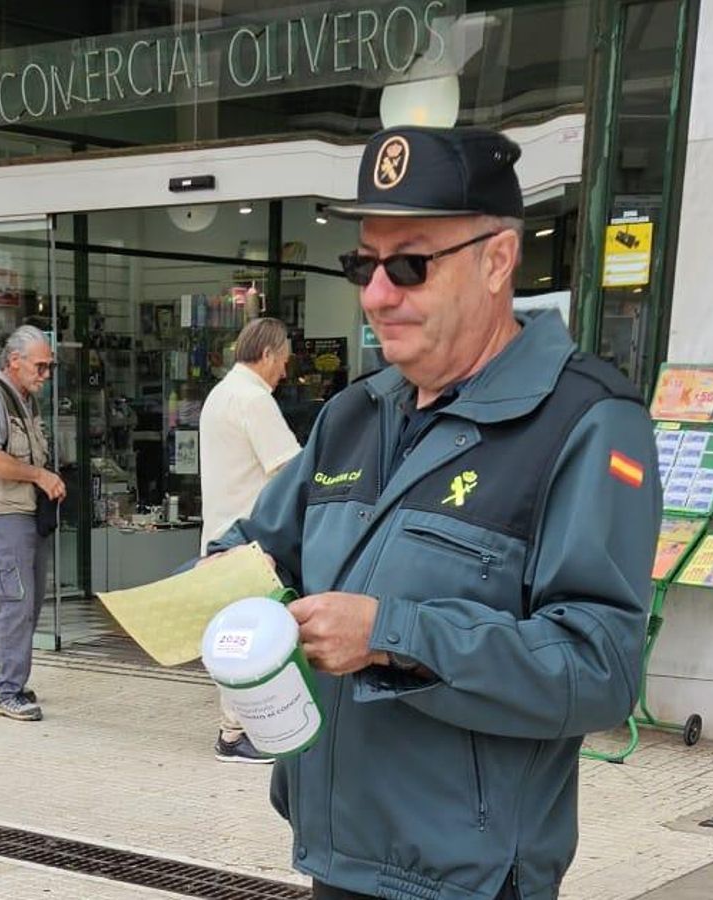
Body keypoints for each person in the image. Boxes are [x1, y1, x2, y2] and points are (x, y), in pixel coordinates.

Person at [204, 126, 660, 900]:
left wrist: (390, 635)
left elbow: (601, 669)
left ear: (496, 261)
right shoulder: (353, 413)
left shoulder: (585, 422)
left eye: (410, 265)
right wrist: (217, 581)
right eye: (363, 264)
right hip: (334, 852)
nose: (378, 294)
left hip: (464, 880)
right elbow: (261, 549)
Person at [199, 316, 300, 763]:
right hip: (251, 542)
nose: (285, 372)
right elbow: (290, 471)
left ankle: (235, 730)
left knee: (234, 637)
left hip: (222, 535)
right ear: (266, 354)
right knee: (254, 639)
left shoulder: (221, 394)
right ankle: (236, 733)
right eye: (283, 361)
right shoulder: (254, 399)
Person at [0, 324, 66, 722]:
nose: (45, 375)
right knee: (16, 603)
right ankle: (8, 691)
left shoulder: (25, 401)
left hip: (28, 516)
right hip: (7, 515)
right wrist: (39, 476)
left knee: (30, 601)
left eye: (49, 368)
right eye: (40, 367)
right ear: (14, 361)